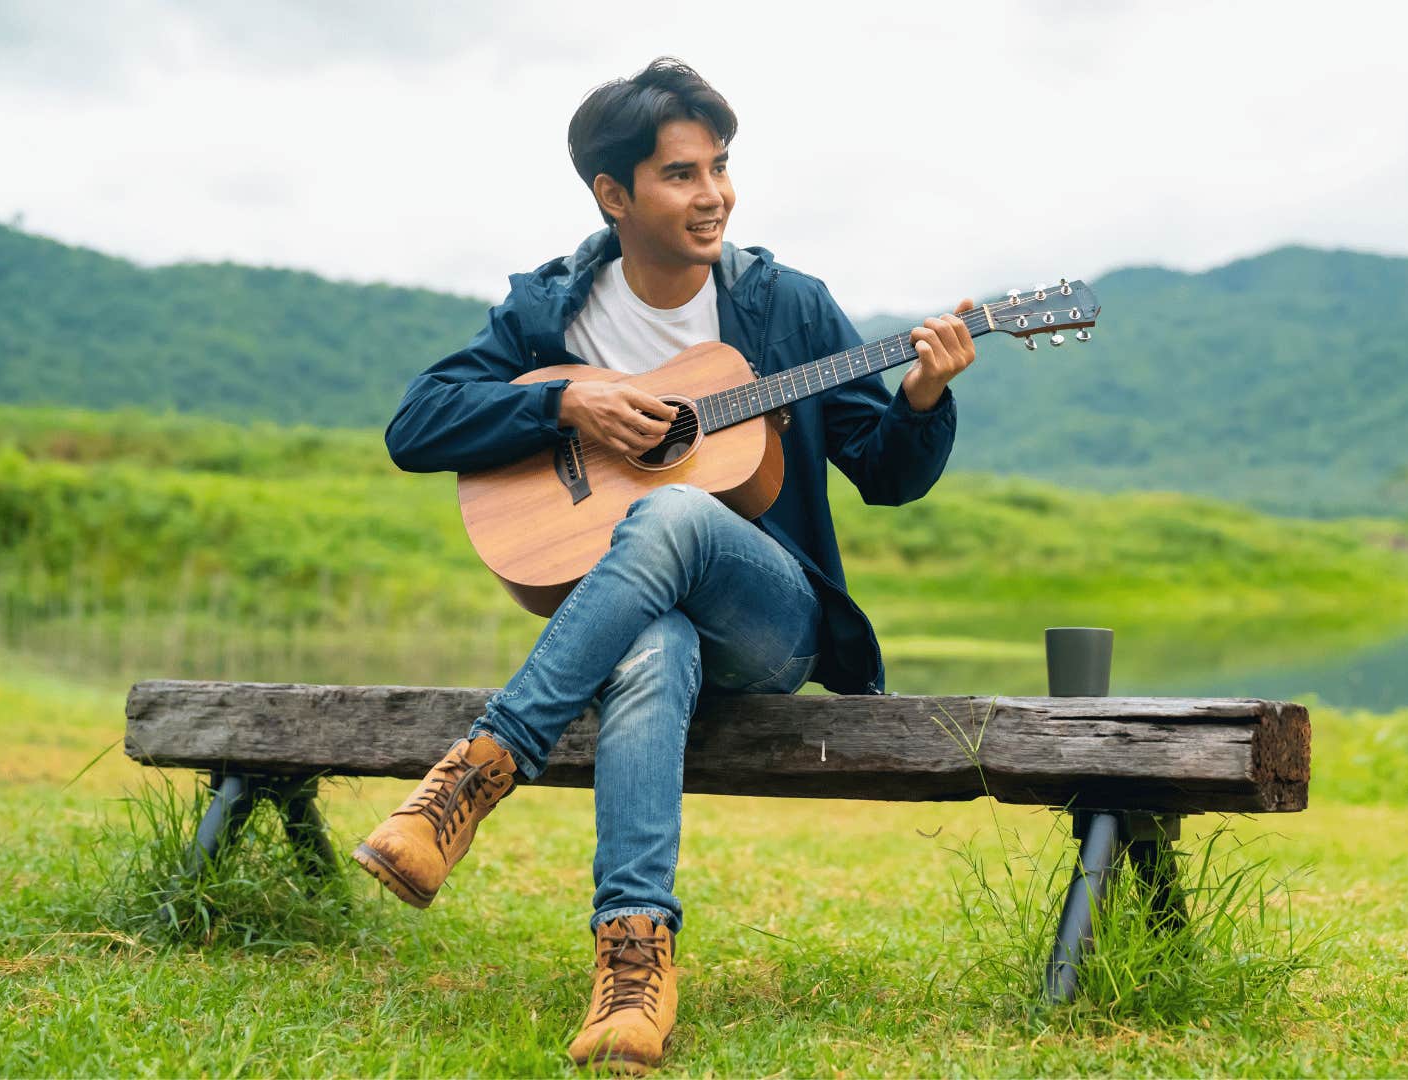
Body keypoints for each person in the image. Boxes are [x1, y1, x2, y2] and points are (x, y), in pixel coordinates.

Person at [349, 57, 978, 1074]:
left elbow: (886, 472)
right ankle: (631, 968)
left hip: (773, 620)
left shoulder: (783, 307)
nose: (713, 195)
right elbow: (417, 425)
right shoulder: (553, 313)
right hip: (642, 622)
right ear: (613, 194)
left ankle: (475, 773)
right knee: (651, 645)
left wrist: (920, 400)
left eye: (720, 168)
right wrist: (564, 402)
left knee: (681, 508)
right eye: (682, 174)